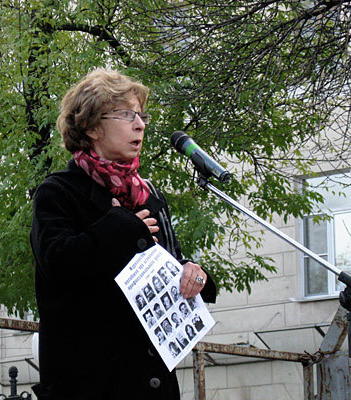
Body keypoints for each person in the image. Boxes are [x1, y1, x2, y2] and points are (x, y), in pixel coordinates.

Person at [30, 68, 216, 400]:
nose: (140, 124)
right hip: (90, 385)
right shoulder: (58, 192)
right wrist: (119, 225)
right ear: (91, 127)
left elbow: (168, 262)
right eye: (127, 115)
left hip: (152, 384)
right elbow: (57, 262)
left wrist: (192, 273)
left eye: (141, 115)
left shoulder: (149, 195)